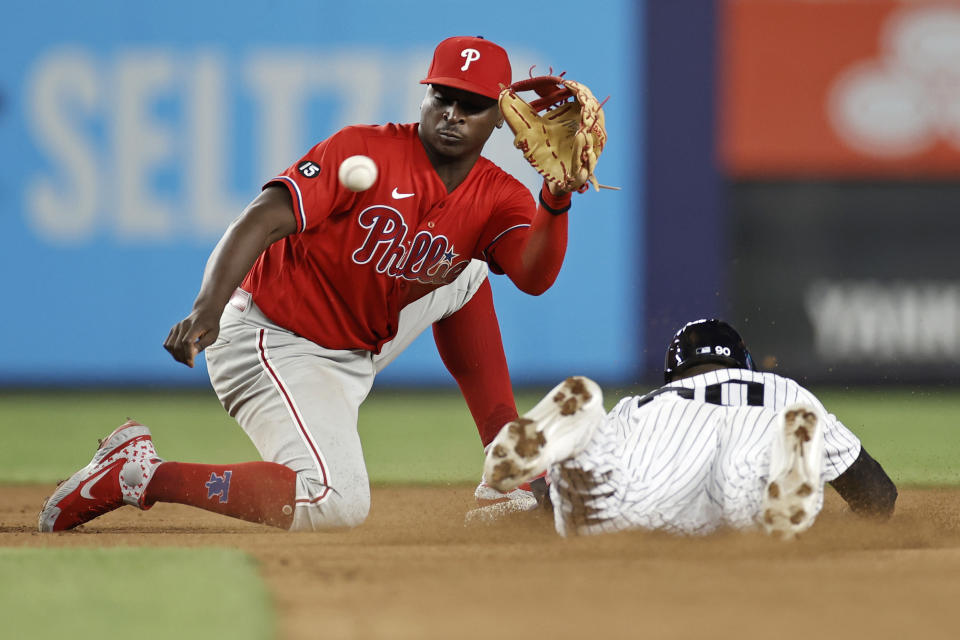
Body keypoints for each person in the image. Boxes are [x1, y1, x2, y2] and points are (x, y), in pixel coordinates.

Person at [39, 36, 580, 533]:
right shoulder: (363, 150)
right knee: (336, 502)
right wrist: (207, 306)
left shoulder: (497, 193)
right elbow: (263, 215)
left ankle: (508, 471)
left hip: (357, 336)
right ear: (426, 95)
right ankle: (136, 472)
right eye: (442, 96)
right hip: (271, 336)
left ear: (502, 117)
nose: (452, 114)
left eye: (472, 105)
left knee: (468, 270)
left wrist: (555, 197)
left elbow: (533, 278)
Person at [483, 318, 898, 539]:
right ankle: (767, 490)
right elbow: (878, 495)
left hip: (637, 509)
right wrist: (843, 536)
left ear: (672, 374)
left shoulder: (642, 405)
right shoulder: (788, 393)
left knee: (590, 503)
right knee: (740, 486)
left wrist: (536, 502)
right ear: (746, 364)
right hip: (734, 501)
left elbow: (553, 508)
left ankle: (579, 426)